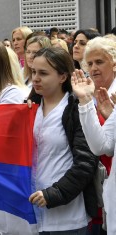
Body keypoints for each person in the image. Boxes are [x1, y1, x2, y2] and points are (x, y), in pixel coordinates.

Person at [28, 47, 98, 234]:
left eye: (43, 73)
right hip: (31, 214)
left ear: (62, 77)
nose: (35, 78)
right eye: (33, 71)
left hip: (68, 217)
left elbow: (86, 162)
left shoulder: (77, 109)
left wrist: (55, 193)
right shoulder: (28, 108)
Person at [74, 36, 116, 235]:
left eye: (100, 62)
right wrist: (85, 102)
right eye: (89, 63)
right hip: (103, 190)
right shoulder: (92, 92)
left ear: (114, 63)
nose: (94, 67)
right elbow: (101, 146)